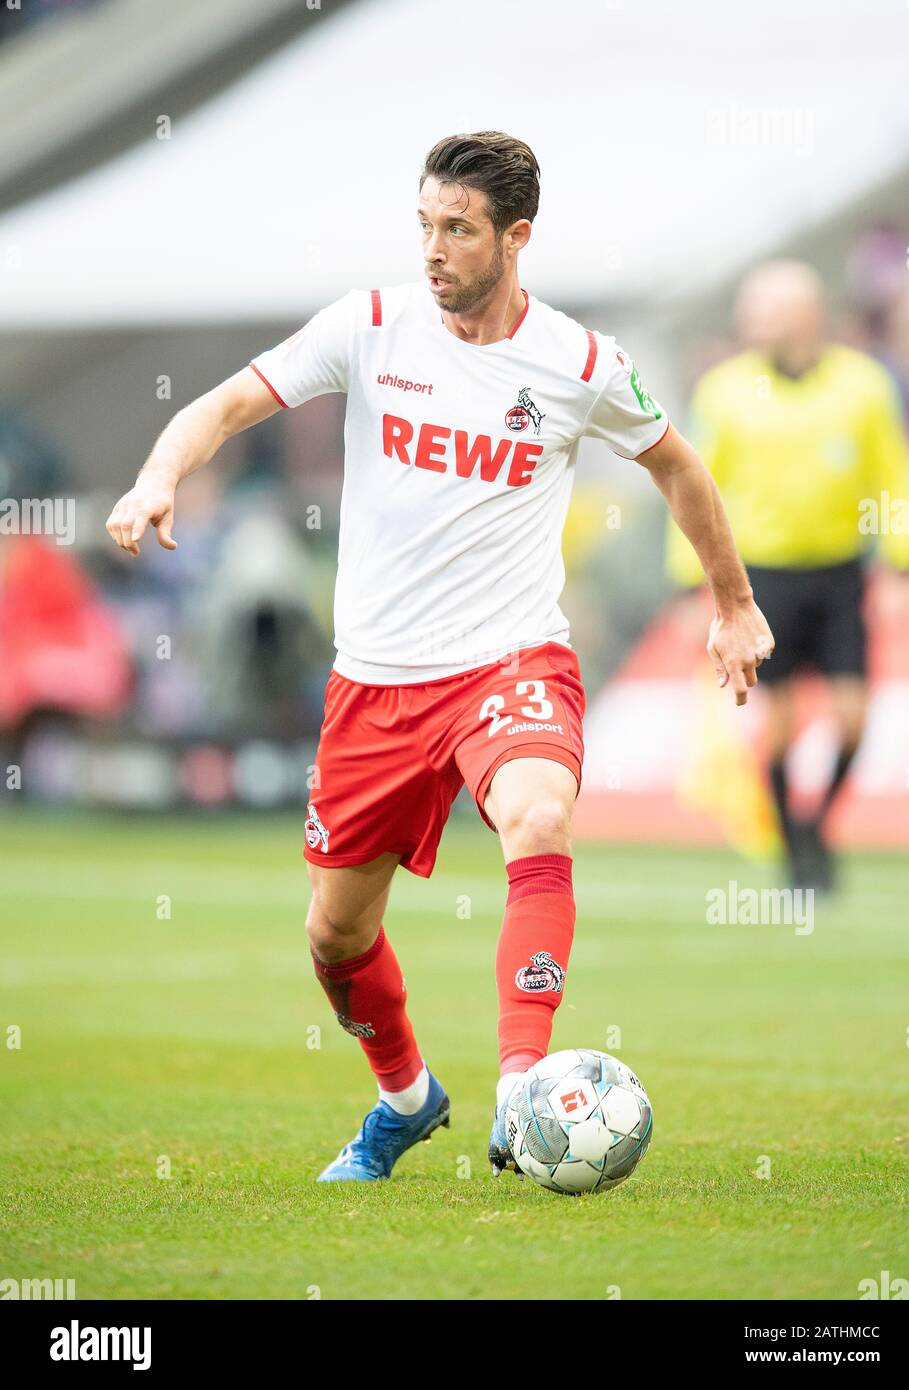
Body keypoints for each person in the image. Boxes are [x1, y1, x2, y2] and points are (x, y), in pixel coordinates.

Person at [106, 131, 773, 1183]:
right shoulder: (370, 326)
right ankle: (407, 1099)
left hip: (511, 664)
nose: (433, 249)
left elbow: (679, 468)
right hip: (374, 682)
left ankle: (523, 1088)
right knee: (334, 934)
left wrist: (732, 602)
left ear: (516, 236)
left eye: (457, 229)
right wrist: (159, 477)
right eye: (424, 224)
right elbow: (226, 404)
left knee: (539, 815)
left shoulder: (581, 363)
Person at [667, 260, 909, 891]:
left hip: (840, 573)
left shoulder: (863, 385)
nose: (749, 321)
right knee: (777, 723)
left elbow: (895, 473)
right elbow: (692, 487)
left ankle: (816, 825)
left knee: (853, 714)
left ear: (807, 314)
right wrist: (687, 582)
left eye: (765, 309)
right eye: (748, 309)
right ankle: (793, 845)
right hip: (760, 579)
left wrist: (902, 560)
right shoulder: (724, 390)